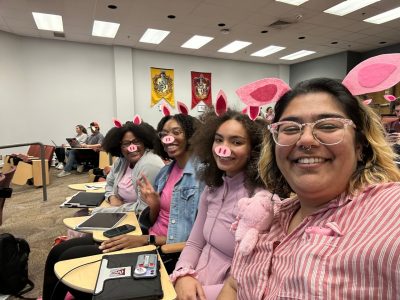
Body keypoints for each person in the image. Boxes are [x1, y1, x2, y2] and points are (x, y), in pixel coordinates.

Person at [218, 78, 400, 299]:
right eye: (290, 128)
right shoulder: (266, 217)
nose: (305, 140)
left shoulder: (390, 210)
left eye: (328, 125)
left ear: (360, 146)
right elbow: (235, 284)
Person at [41, 114, 204, 300]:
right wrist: (154, 205)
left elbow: (193, 238)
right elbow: (153, 217)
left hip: (163, 250)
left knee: (70, 261)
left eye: (177, 132)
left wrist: (145, 240)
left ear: (191, 135)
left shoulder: (202, 178)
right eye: (164, 133)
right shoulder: (167, 171)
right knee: (59, 252)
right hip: (144, 234)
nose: (169, 138)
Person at [170, 109, 266, 300]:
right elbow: (195, 243)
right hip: (192, 283)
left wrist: (194, 294)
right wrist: (183, 274)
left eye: (236, 142)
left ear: (253, 150)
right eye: (218, 139)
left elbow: (250, 279)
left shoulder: (260, 203)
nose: (223, 148)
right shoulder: (212, 188)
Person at [92, 121, 164, 213]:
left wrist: (105, 211)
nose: (132, 147)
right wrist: (111, 197)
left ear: (145, 143)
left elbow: (144, 208)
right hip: (123, 211)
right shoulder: (122, 160)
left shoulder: (150, 164)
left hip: (139, 220)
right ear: (119, 147)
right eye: (126, 143)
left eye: (136, 142)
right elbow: (109, 184)